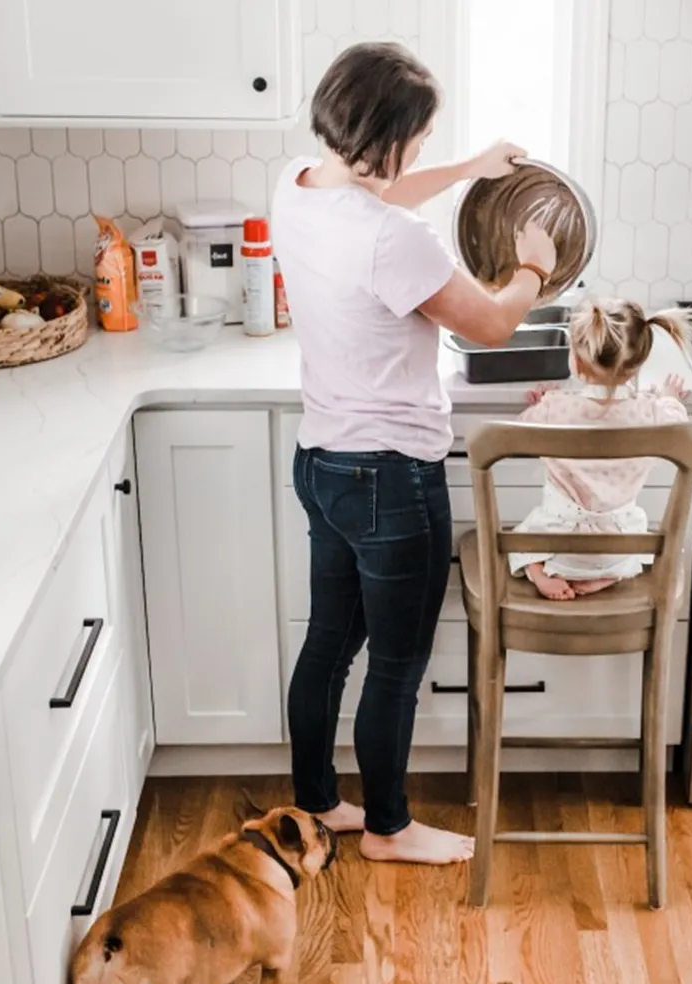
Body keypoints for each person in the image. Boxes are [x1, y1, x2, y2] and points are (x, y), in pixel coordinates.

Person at [270, 42, 558, 865]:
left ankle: (319, 806)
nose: (423, 156)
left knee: (330, 641)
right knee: (397, 662)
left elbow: (379, 188)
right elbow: (495, 322)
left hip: (322, 462)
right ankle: (390, 830)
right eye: (423, 140)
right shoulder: (394, 241)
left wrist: (471, 167)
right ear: (388, 139)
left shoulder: (295, 184)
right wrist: (532, 268)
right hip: (392, 479)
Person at [510, 299, 692, 601]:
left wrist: (542, 403)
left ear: (577, 362)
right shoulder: (651, 412)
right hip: (617, 550)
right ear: (636, 367)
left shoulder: (556, 408)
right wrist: (669, 397)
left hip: (559, 547)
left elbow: (519, 433)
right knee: (638, 543)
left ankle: (539, 571)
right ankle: (607, 575)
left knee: (519, 539)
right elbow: (679, 423)